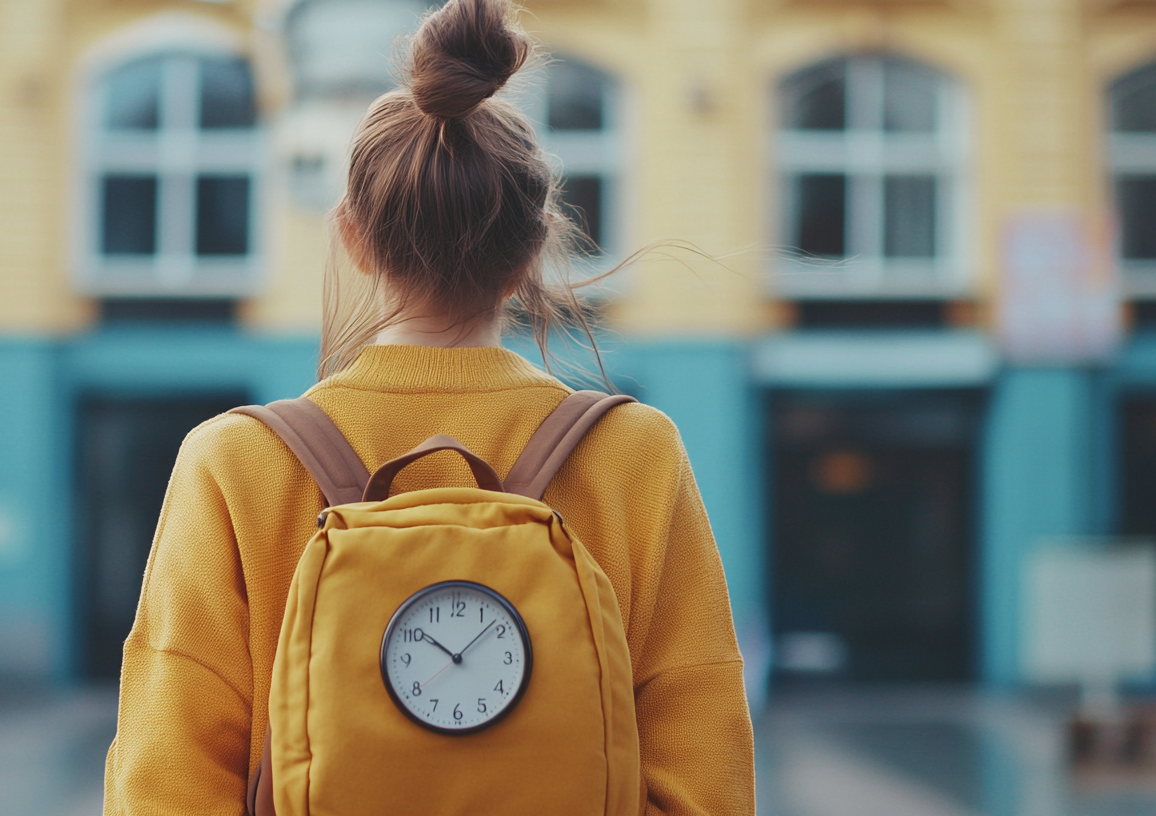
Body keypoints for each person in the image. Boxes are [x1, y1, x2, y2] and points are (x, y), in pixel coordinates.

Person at [102, 0, 754, 813]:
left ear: (353, 238)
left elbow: (166, 779)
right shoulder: (634, 452)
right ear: (533, 248)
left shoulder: (236, 461)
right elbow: (703, 770)